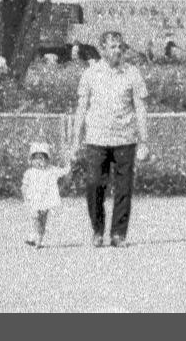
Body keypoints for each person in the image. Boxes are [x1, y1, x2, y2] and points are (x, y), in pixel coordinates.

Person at [73, 31, 150, 248]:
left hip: (125, 138)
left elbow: (141, 108)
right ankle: (97, 230)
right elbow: (81, 107)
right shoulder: (91, 73)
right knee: (94, 184)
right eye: (113, 46)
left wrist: (144, 141)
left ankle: (118, 234)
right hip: (97, 138)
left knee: (124, 188)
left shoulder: (132, 73)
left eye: (120, 47)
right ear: (103, 49)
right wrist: (75, 141)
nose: (117, 51)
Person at [20, 142, 69, 249]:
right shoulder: (30, 172)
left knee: (42, 220)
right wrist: (25, 195)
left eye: (42, 158)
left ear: (47, 160)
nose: (39, 162)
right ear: (31, 160)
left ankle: (39, 238)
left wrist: (68, 163)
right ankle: (35, 236)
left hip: (45, 200)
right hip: (34, 199)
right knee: (35, 217)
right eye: (36, 158)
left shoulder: (51, 170)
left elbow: (63, 172)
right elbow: (24, 185)